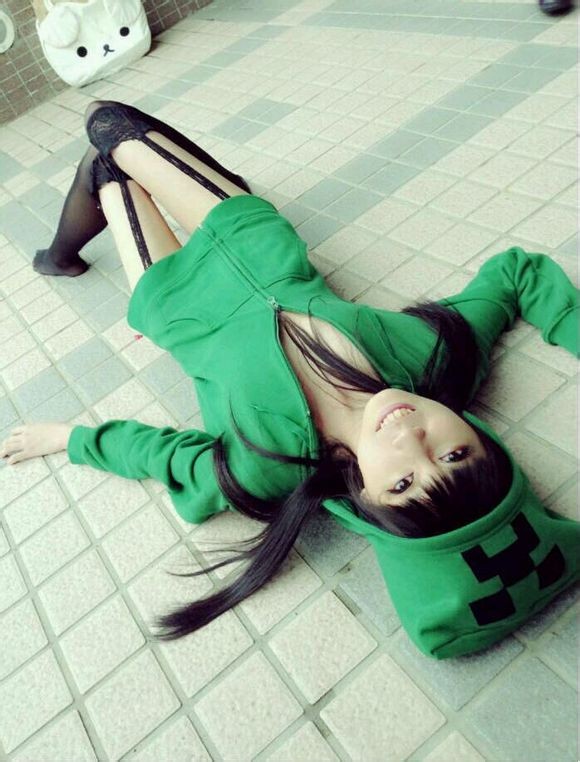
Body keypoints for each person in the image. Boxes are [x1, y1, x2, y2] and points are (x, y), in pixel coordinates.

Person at [1, 101, 579, 659]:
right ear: (483, 440)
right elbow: (515, 275)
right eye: (454, 454)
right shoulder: (435, 358)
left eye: (404, 482)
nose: (411, 438)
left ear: (367, 499)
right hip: (256, 241)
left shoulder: (265, 470)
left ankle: (60, 254)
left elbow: (166, 457)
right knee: (107, 122)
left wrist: (70, 439)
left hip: (176, 299)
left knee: (105, 163)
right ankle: (109, 230)